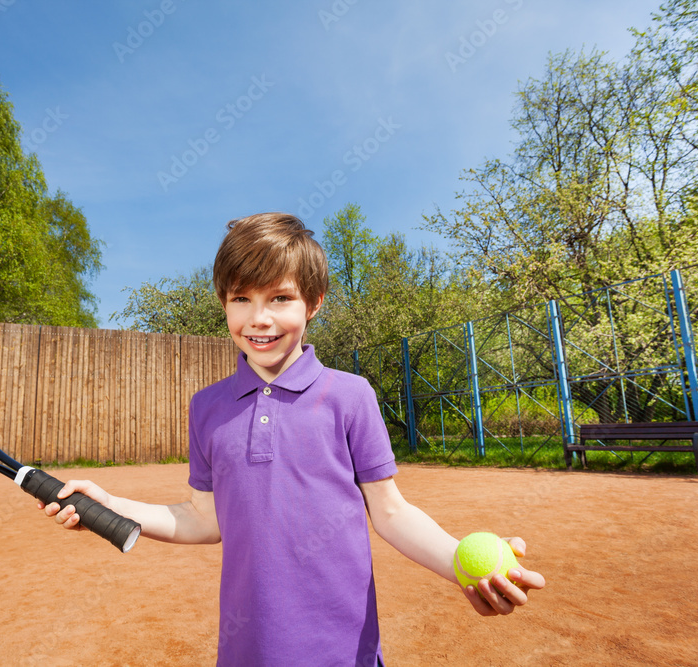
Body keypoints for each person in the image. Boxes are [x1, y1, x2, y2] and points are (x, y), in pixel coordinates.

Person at [38, 212, 545, 666]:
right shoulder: (207, 408)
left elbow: (391, 513)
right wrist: (112, 504)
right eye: (242, 299)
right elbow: (201, 517)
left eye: (279, 298)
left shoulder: (350, 395)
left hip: (344, 651)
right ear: (224, 303)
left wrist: (461, 562)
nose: (259, 318)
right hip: (244, 650)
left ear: (313, 303)